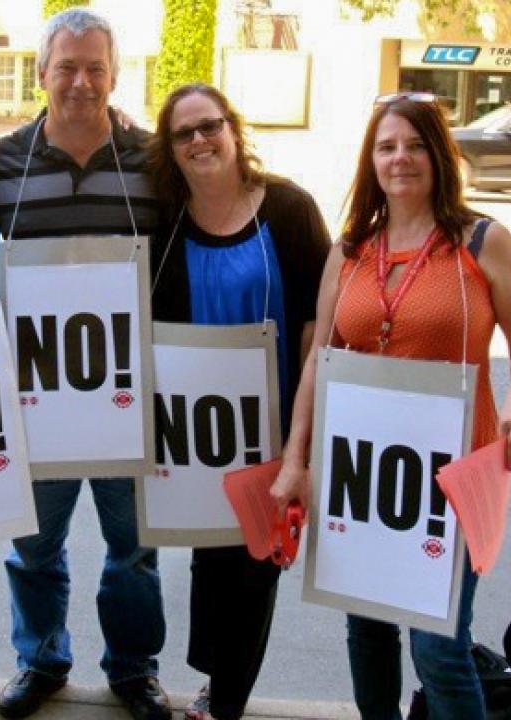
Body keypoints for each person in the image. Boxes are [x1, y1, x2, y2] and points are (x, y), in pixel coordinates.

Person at [271, 93, 511, 719]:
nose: (402, 158)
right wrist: (297, 460)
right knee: (367, 632)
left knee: (438, 647)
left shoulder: (482, 244)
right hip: (361, 475)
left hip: (453, 478)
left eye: (416, 144)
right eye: (387, 146)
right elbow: (321, 357)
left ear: (441, 155)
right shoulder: (350, 252)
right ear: (371, 161)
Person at [0, 9, 167, 720]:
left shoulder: (152, 160)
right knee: (33, 549)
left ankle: (134, 670)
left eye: (96, 68)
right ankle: (41, 660)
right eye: (66, 67)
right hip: (34, 400)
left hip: (125, 395)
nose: (81, 83)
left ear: (114, 74)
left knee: (135, 551)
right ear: (42, 70)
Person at [147, 83, 330, 720]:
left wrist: (301, 443)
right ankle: (214, 679)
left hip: (275, 431)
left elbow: (318, 326)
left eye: (210, 126)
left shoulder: (286, 207)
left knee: (255, 564)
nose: (199, 140)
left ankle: (225, 701)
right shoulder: (165, 224)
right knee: (209, 560)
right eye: (183, 133)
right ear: (168, 150)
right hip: (195, 436)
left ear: (233, 128)